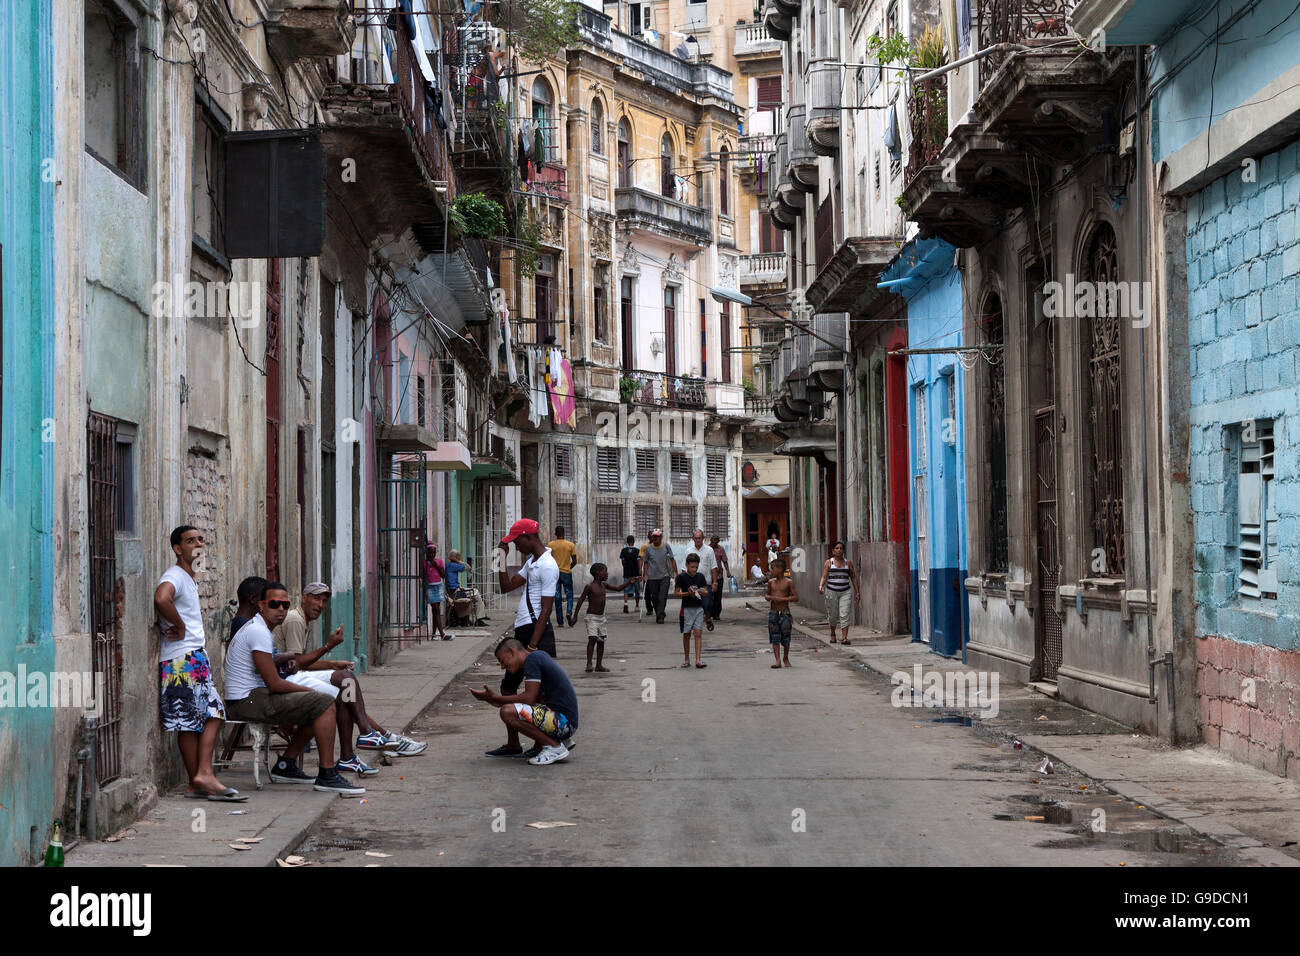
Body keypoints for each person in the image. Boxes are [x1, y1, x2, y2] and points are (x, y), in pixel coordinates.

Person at [223, 582, 364, 795]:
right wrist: (311, 693)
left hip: (252, 696)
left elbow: (267, 667)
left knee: (317, 707)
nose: (280, 609)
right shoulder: (259, 632)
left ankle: (286, 764)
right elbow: (274, 683)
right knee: (324, 702)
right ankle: (327, 774)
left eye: (285, 605)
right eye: (274, 604)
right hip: (246, 701)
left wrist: (284, 660)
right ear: (261, 605)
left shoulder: (260, 629)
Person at [274, 582, 427, 765]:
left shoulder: (301, 620)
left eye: (323, 601)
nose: (320, 605)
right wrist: (328, 647)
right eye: (316, 599)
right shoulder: (294, 620)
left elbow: (299, 662)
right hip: (284, 680)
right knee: (343, 694)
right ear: (304, 598)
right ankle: (382, 737)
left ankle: (375, 737)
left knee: (346, 682)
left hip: (290, 675)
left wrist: (332, 664)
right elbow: (298, 664)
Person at [154, 525, 245, 801]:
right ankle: (204, 773)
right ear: (177, 549)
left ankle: (196, 782)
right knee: (214, 711)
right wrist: (179, 625)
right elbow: (161, 598)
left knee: (191, 721)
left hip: (188, 658)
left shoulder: (187, 577)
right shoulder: (176, 575)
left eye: (200, 540)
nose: (197, 544)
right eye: (189, 540)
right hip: (184, 658)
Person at [486, 518, 564, 759]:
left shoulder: (548, 566)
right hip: (524, 630)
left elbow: (546, 610)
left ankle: (544, 744)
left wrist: (531, 646)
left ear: (529, 538)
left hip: (535, 633)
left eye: (517, 541)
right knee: (508, 686)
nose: (516, 546)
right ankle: (513, 744)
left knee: (539, 695)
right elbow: (505, 587)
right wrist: (500, 556)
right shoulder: (532, 562)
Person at [469, 639, 578, 766]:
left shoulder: (532, 660)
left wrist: (496, 698)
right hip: (565, 721)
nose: (503, 667)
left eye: (502, 661)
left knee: (507, 712)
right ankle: (555, 741)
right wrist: (495, 700)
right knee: (510, 707)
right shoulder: (537, 657)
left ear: (511, 651)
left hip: (563, 722)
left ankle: (553, 747)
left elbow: (528, 698)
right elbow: (535, 699)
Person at [569, 562, 609, 672]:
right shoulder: (590, 587)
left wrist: (630, 582)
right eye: (605, 571)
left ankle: (599, 665)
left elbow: (619, 588)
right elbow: (580, 600)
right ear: (598, 573)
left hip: (601, 618)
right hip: (591, 617)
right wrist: (575, 616)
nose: (607, 574)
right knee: (592, 639)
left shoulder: (604, 585)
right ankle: (589, 663)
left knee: (601, 641)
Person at [818, 541, 860, 646]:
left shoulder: (848, 563)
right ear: (833, 551)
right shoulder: (829, 562)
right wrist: (821, 586)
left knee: (844, 614)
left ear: (843, 551)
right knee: (832, 615)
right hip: (831, 591)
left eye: (841, 548)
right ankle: (832, 633)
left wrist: (857, 592)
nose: (839, 550)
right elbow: (824, 576)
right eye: (836, 548)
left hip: (845, 591)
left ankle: (844, 638)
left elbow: (853, 577)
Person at [673, 553, 709, 669]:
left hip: (699, 608)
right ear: (686, 565)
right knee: (687, 634)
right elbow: (676, 593)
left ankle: (698, 660)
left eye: (696, 567)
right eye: (692, 567)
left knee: (698, 633)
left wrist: (701, 591)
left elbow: (706, 591)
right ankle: (687, 659)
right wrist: (688, 593)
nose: (694, 569)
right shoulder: (681, 577)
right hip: (686, 609)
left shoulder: (700, 577)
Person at [763, 557, 798, 668]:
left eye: (772, 568)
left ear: (779, 569)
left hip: (784, 612)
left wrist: (782, 600)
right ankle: (777, 660)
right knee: (775, 636)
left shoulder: (788, 582)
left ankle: (785, 657)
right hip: (773, 612)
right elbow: (767, 595)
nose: (771, 571)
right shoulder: (771, 582)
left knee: (786, 636)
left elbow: (795, 597)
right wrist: (769, 597)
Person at [639, 529, 677, 624]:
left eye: (657, 536)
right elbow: (646, 562)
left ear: (661, 537)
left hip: (665, 576)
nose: (655, 538)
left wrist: (676, 573)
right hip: (652, 577)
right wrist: (645, 575)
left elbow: (672, 559)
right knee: (654, 598)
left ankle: (660, 616)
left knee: (662, 596)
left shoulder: (666, 546)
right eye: (654, 536)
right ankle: (660, 613)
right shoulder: (648, 548)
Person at [683, 528, 718, 632]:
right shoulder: (688, 551)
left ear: (703, 538)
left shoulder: (709, 550)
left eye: (699, 538)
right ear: (693, 538)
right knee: (694, 606)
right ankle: (694, 624)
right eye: (696, 538)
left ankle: (707, 618)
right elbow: (684, 569)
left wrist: (715, 582)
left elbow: (713, 567)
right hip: (692, 585)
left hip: (706, 583)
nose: (698, 540)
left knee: (707, 604)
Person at [548, 526, 579, 628]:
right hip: (566, 573)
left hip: (554, 573)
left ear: (555, 534)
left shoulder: (550, 545)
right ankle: (569, 612)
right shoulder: (570, 545)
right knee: (569, 595)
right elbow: (574, 561)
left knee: (557, 597)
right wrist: (568, 567)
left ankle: (560, 622)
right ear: (564, 533)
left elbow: (548, 559)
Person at [445, 550, 487, 626]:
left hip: (454, 591)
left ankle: (470, 618)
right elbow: (468, 568)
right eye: (458, 557)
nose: (459, 558)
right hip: (456, 592)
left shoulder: (450, 565)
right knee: (476, 593)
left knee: (475, 595)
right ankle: (479, 618)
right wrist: (459, 561)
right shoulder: (453, 565)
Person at [422, 543, 454, 641]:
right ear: (426, 553)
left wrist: (436, 565)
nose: (432, 555)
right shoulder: (423, 563)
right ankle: (442, 634)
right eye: (430, 553)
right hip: (429, 587)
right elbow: (422, 576)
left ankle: (433, 634)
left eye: (434, 553)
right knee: (435, 609)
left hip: (438, 586)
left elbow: (443, 575)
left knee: (436, 610)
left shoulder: (439, 562)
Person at [619, 535, 642, 614]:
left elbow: (622, 561)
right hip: (635, 573)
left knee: (626, 589)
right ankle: (637, 606)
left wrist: (625, 567)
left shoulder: (623, 551)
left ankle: (626, 604)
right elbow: (639, 561)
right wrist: (639, 570)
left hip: (627, 573)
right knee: (637, 590)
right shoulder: (637, 551)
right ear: (633, 541)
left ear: (627, 542)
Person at [710, 535, 730, 621]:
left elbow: (725, 561)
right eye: (713, 541)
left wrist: (728, 571)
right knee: (710, 596)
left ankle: (716, 614)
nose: (714, 543)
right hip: (709, 576)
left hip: (719, 576)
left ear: (718, 542)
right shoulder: (707, 549)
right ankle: (709, 613)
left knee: (718, 596)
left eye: (716, 542)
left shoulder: (721, 549)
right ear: (711, 541)